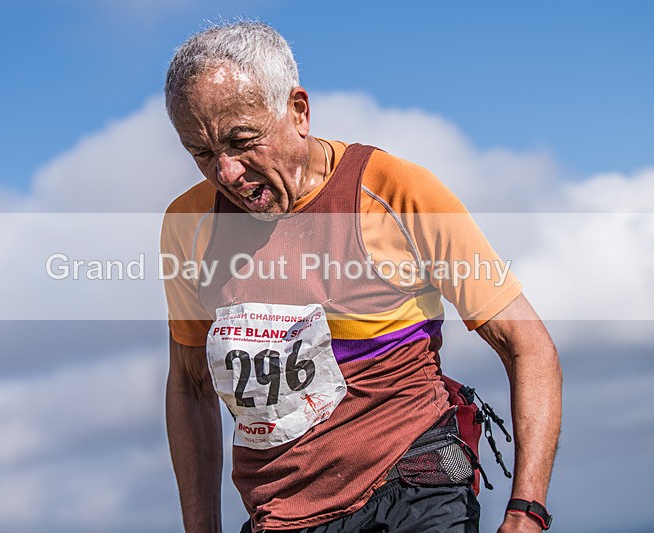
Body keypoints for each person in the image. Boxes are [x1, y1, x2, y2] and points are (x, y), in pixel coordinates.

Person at [160, 21, 562, 533]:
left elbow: (527, 344)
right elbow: (191, 386)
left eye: (242, 142)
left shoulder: (396, 192)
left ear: (298, 111)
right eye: (201, 152)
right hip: (281, 514)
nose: (226, 173)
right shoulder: (188, 226)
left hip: (416, 482)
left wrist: (527, 510)